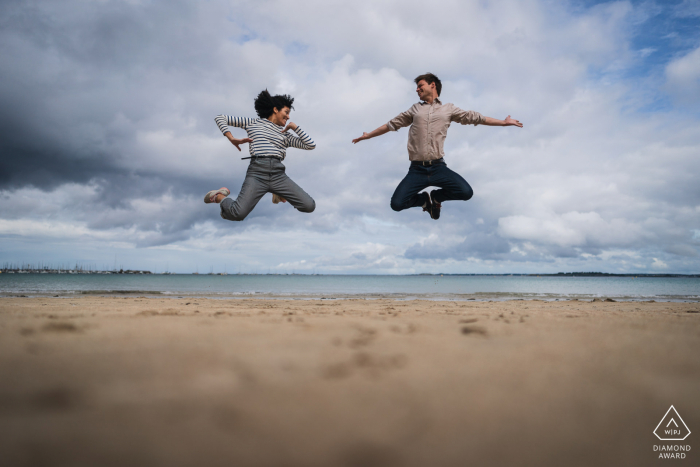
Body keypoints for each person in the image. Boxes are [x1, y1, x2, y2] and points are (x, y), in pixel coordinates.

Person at [352, 73, 523, 220]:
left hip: (438, 167)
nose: (417, 89)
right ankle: (425, 201)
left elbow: (475, 118)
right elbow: (391, 125)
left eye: (420, 86)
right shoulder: (415, 109)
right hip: (416, 170)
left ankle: (436, 196)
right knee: (397, 204)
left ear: (432, 85)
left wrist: (503, 122)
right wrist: (368, 135)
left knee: (466, 192)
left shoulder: (448, 109)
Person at [205, 90, 316, 221]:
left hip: (278, 175)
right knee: (237, 213)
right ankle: (219, 196)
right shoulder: (253, 123)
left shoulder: (286, 135)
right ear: (275, 109)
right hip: (257, 173)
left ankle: (278, 192)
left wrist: (295, 127)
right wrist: (231, 138)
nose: (288, 117)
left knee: (309, 205)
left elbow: (310, 145)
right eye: (286, 112)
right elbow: (220, 118)